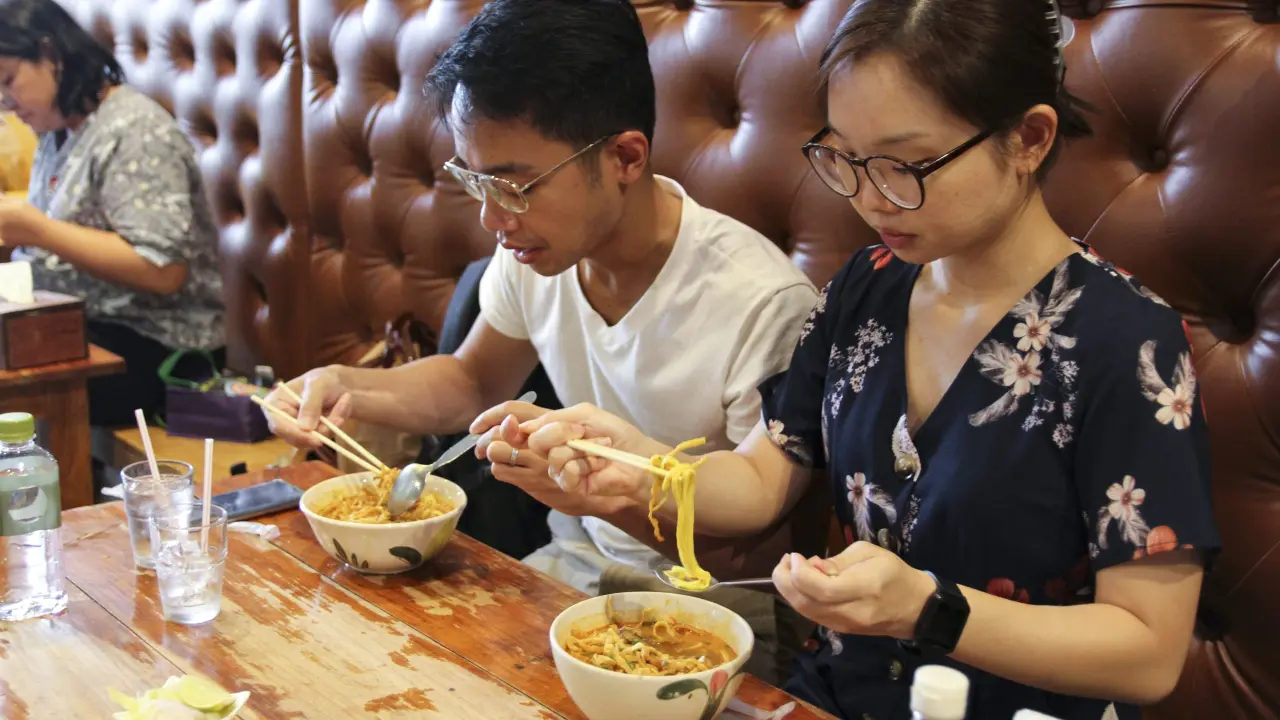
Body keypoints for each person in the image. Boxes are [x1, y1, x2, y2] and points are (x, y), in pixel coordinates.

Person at [519, 1, 1221, 718]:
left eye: (905, 165)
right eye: (847, 160)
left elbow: (1149, 652)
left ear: (1029, 138)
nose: (870, 197)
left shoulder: (1126, 343)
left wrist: (928, 608)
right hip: (836, 694)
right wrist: (638, 464)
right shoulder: (869, 287)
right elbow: (762, 478)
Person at [263, 0, 818, 684]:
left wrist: (609, 498)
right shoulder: (536, 252)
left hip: (707, 612)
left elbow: (752, 552)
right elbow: (472, 381)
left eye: (514, 186)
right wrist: (343, 387)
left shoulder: (763, 302)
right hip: (568, 572)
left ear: (624, 157)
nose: (492, 218)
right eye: (475, 180)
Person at [0, 0, 224, 427]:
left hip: (156, 348)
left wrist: (39, 231)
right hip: (79, 327)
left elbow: (163, 270)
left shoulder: (135, 130)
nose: (7, 103)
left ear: (51, 54)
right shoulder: (58, 128)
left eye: (9, 80)